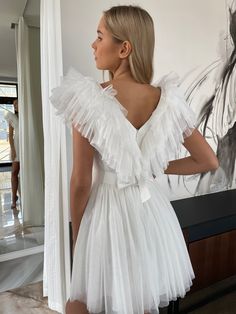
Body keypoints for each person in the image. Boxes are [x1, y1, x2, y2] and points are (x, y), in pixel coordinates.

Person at [51, 5, 219, 314]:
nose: (93, 44)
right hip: (152, 215)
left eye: (100, 36)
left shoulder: (87, 100)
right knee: (140, 296)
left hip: (106, 213)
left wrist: (78, 238)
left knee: (82, 304)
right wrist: (154, 167)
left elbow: (81, 182)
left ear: (124, 48)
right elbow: (209, 161)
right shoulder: (168, 101)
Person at [5, 98, 20, 209]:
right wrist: (13, 149)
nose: (14, 105)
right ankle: (14, 198)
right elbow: (10, 135)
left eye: (16, 103)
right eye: (13, 104)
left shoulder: (28, 116)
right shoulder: (12, 117)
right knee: (14, 171)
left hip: (27, 146)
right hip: (17, 146)